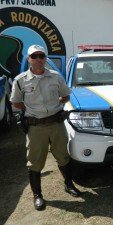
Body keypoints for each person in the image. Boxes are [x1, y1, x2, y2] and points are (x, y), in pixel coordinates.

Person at [10, 45, 81, 211]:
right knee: (35, 161)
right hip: (35, 127)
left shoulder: (56, 77)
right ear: (29, 59)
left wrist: (54, 105)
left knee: (63, 155)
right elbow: (16, 102)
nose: (38, 59)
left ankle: (68, 184)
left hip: (56, 124)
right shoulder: (20, 80)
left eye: (41, 55)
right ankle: (38, 195)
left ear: (45, 58)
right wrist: (34, 110)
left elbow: (66, 96)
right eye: (34, 56)